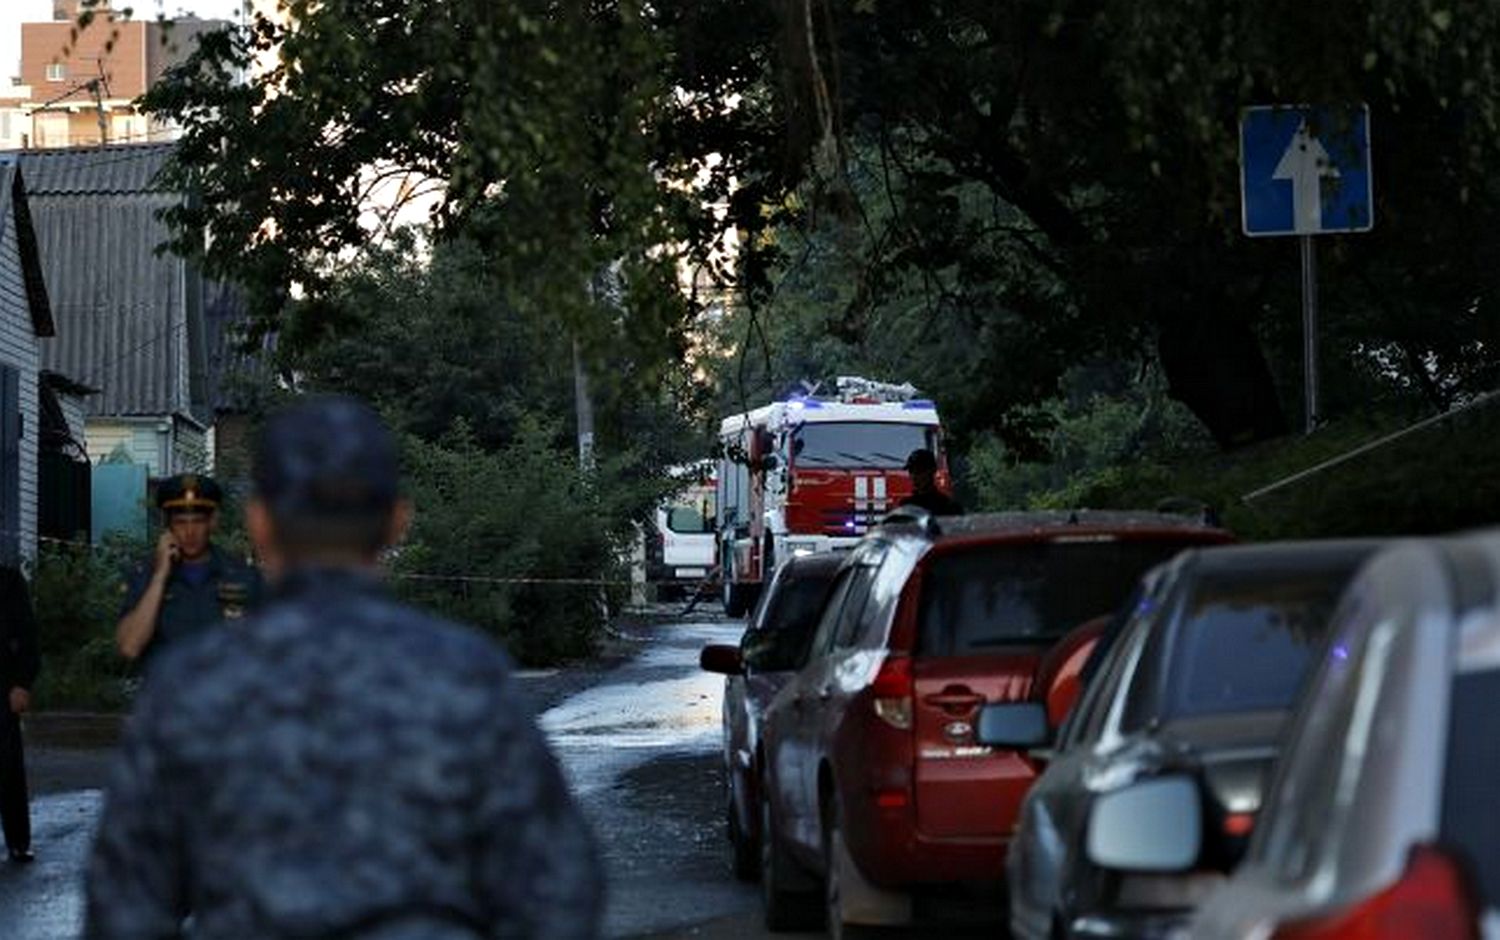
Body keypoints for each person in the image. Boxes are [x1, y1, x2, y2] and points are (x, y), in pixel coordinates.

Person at [85, 396, 605, 939]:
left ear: (260, 525)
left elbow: (124, 909)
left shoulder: (190, 689)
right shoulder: (464, 676)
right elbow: (559, 889)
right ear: (396, 522)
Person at [115, 474, 263, 665]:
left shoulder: (244, 577)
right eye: (181, 522)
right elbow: (129, 647)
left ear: (212, 522)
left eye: (198, 521)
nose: (190, 532)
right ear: (167, 525)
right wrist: (160, 578)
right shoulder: (144, 576)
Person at [0, 564, 38, 864]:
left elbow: (27, 634)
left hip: (2, 688)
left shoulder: (8, 580)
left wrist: (21, 683)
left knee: (7, 766)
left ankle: (18, 841)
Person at [899, 448, 964, 516]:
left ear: (932, 471)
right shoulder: (906, 507)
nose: (914, 476)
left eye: (919, 471)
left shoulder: (948, 507)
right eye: (911, 471)